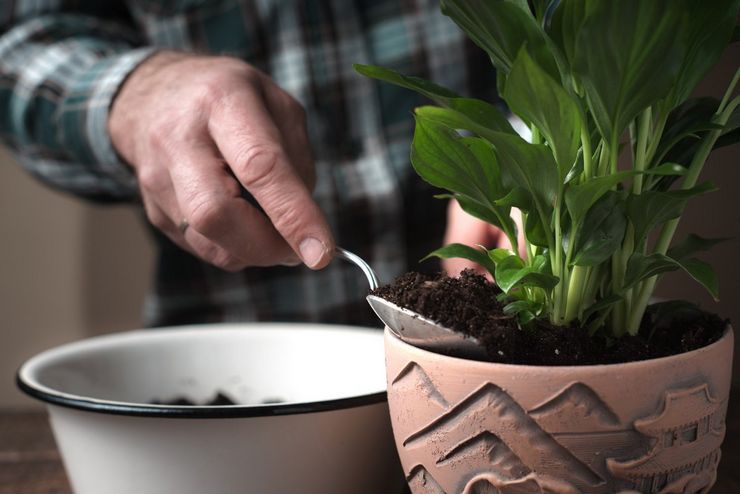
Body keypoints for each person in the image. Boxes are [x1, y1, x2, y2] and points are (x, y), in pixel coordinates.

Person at [0, 1, 506, 328]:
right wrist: (136, 94)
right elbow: (23, 43)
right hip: (234, 377)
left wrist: (543, 168)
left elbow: (572, 32)